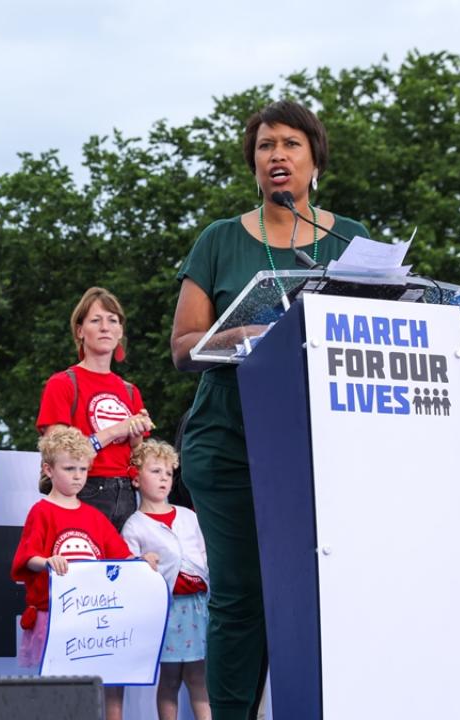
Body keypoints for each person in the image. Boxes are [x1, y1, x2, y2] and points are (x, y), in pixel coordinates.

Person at [169, 99, 369, 720]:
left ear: (315, 158)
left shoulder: (352, 240)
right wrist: (245, 334)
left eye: (290, 143)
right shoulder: (220, 240)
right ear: (254, 163)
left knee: (325, 589)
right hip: (230, 442)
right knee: (242, 593)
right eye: (265, 145)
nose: (277, 155)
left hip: (323, 444)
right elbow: (182, 347)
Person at [12, 426, 149, 720]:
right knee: (56, 693)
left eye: (83, 469)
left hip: (90, 618)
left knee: (92, 690)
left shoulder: (94, 516)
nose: (77, 476)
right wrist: (47, 561)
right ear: (48, 469)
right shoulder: (41, 511)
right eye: (69, 468)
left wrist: (142, 563)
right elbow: (27, 558)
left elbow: (122, 557)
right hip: (53, 616)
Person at [38, 287, 153, 532]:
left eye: (112, 320)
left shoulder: (130, 391)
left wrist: (136, 438)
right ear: (80, 331)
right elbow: (58, 451)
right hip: (82, 489)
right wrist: (116, 430)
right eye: (96, 320)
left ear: (120, 332)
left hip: (126, 493)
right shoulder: (62, 383)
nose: (105, 327)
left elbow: (136, 456)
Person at [121, 440, 211, 720]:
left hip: (198, 608)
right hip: (166, 611)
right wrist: (140, 563)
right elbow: (129, 568)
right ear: (136, 479)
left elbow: (205, 554)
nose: (163, 478)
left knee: (199, 678)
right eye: (155, 471)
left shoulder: (188, 517)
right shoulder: (134, 525)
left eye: (168, 473)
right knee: (170, 678)